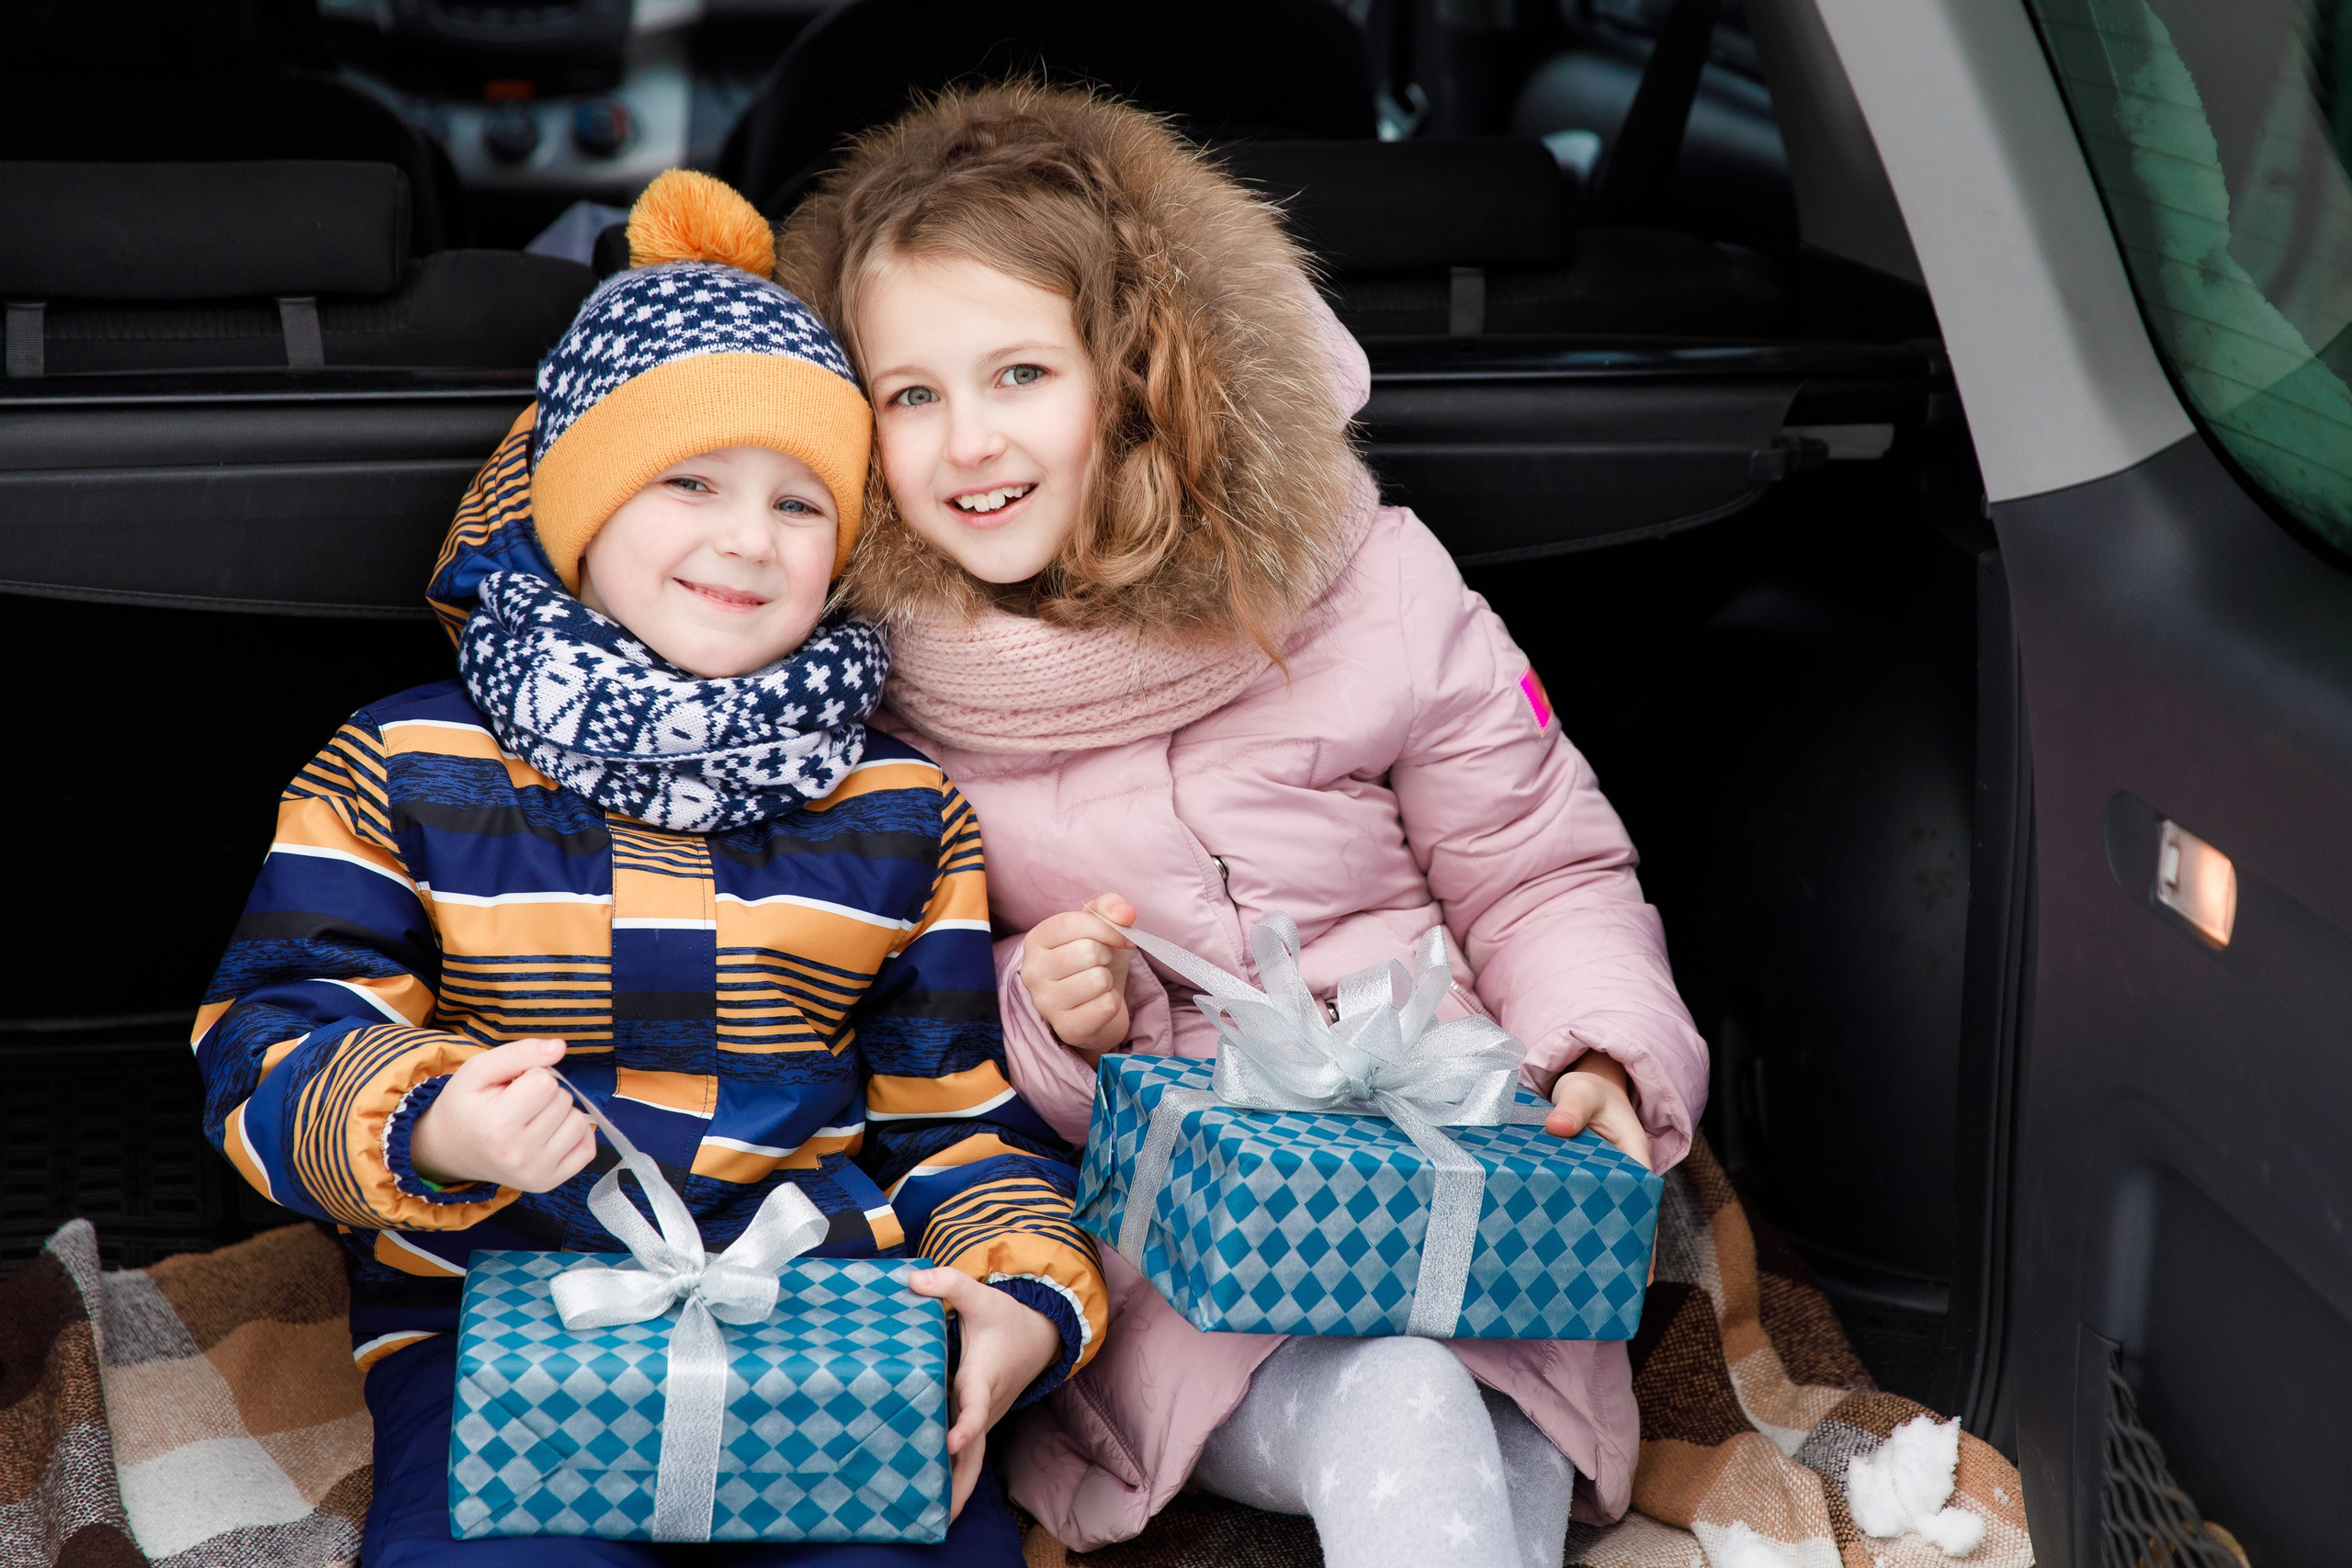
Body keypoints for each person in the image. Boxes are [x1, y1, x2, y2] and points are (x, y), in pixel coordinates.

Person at [765, 85, 1712, 1568]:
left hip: (1462, 1179)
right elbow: (895, 1016)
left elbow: (1539, 865)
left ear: (1138, 371)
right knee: (1404, 1409)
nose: (966, 442)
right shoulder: (879, 686)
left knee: (1466, 1404)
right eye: (911, 395)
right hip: (1182, 1264)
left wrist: (1599, 1050)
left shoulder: (1371, 582)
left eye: (1020, 372)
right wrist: (1049, 1014)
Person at [194, 170, 1105, 1568]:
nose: (747, 538)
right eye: (687, 480)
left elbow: (956, 1127)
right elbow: (266, 1040)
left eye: (804, 505)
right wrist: (434, 1122)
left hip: (831, 1327)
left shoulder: (901, 806)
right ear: (575, 506)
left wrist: (1025, 1304)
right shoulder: (404, 762)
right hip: (499, 1314)